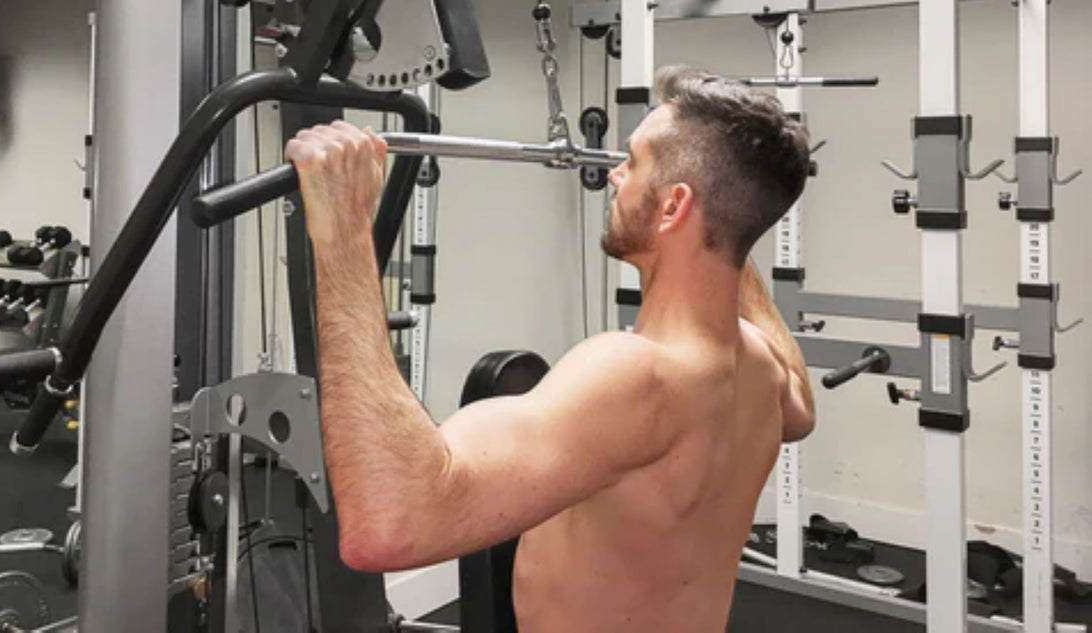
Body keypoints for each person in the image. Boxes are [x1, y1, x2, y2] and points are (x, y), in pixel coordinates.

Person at [285, 65, 815, 633]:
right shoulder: (761, 366)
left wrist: (342, 228)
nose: (616, 175)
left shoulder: (637, 375)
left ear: (672, 208)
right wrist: (730, 230)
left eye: (633, 162)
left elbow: (389, 523)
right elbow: (802, 411)